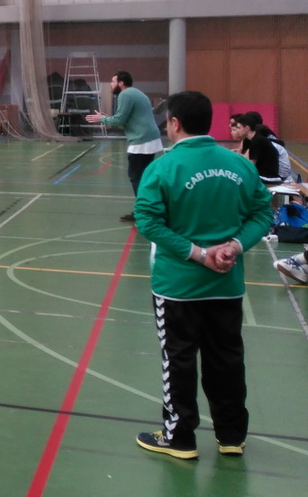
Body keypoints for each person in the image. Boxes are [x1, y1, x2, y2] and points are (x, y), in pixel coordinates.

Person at [132, 90, 272, 460]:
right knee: (226, 358)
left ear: (175, 123)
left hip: (177, 288)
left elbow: (148, 221)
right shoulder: (239, 165)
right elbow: (263, 213)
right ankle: (231, 436)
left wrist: (197, 254)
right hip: (226, 286)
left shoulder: (162, 168)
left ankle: (179, 438)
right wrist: (235, 246)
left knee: (178, 360)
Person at [85, 71, 163, 223]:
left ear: (121, 83)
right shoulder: (136, 93)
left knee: (136, 177)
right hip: (150, 139)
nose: (111, 84)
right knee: (144, 177)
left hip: (142, 141)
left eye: (113, 81)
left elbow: (119, 120)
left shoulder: (125, 94)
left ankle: (143, 212)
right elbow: (124, 118)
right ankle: (147, 210)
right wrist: (107, 117)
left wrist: (102, 119)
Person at [230, 113, 283, 186]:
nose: (238, 131)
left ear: (247, 128)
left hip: (268, 178)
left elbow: (250, 166)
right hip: (262, 175)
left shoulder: (257, 141)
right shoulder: (251, 140)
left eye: (239, 128)